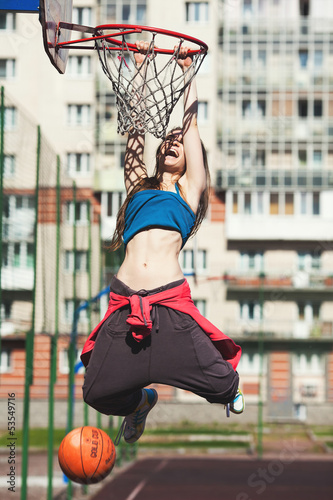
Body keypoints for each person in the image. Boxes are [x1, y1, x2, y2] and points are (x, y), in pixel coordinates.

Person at [81, 41, 244, 445]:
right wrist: (139, 73)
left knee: (226, 389)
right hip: (124, 301)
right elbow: (136, 135)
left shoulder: (188, 193)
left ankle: (225, 387)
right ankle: (140, 403)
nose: (172, 143)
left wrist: (187, 76)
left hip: (169, 303)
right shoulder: (138, 187)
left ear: (190, 159)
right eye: (166, 142)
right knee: (96, 392)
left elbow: (190, 129)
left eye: (178, 143)